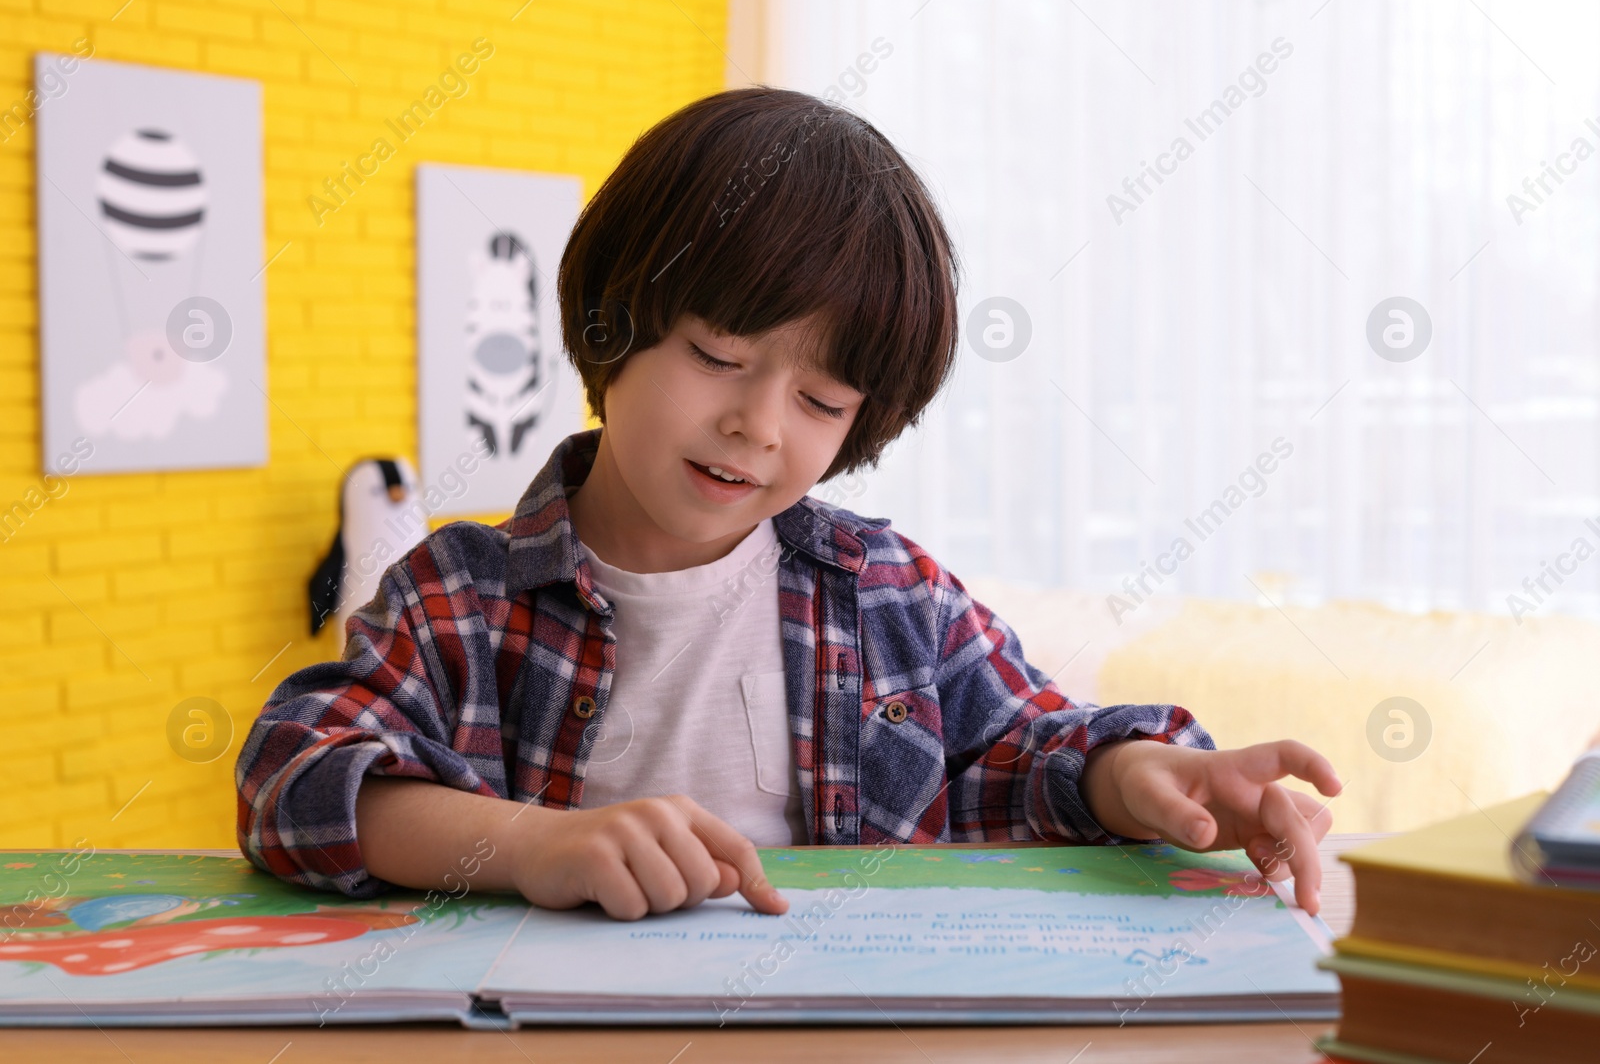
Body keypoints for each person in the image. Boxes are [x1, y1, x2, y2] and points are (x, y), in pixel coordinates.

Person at [235, 87, 1341, 923]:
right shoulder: (459, 598)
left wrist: (1148, 776)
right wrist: (530, 846)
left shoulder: (886, 593)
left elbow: (1024, 751)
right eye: (718, 354)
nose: (760, 424)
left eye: (820, 396)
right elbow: (294, 777)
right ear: (612, 329)